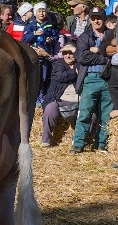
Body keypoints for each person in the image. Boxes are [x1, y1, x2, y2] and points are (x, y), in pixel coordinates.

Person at [73, 9, 112, 153]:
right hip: (90, 78)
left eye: (99, 18)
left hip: (108, 78)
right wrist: (105, 56)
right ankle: (78, 144)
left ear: (104, 19)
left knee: (106, 114)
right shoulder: (85, 36)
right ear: (90, 20)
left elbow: (117, 54)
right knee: (85, 113)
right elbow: (83, 57)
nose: (96, 21)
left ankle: (101, 144)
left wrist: (96, 50)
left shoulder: (111, 34)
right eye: (94, 18)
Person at [40, 44, 78, 147]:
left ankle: (83, 141)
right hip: (60, 100)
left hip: (79, 101)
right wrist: (75, 72)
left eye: (70, 53)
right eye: (65, 53)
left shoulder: (81, 64)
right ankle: (46, 140)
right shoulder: (58, 64)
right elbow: (60, 77)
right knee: (50, 109)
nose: (67, 56)